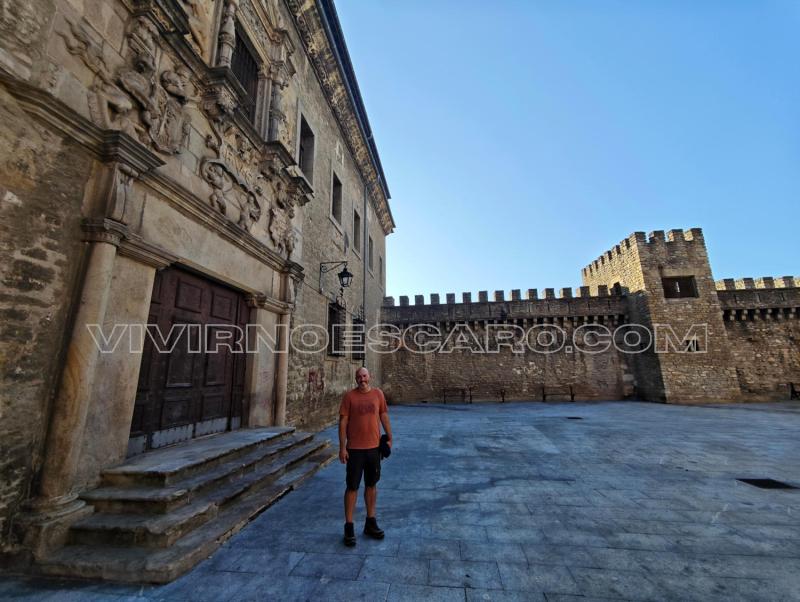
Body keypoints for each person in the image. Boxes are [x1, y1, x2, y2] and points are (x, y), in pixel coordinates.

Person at [338, 366, 392, 547]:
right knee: (352, 487)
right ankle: (349, 526)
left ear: (370, 377)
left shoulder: (378, 394)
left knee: (371, 485)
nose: (362, 379)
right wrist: (342, 447)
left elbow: (383, 415)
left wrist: (390, 437)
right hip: (354, 449)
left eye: (364, 376)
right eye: (359, 377)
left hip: (374, 449)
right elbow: (343, 422)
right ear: (356, 379)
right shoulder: (349, 397)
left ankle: (370, 522)